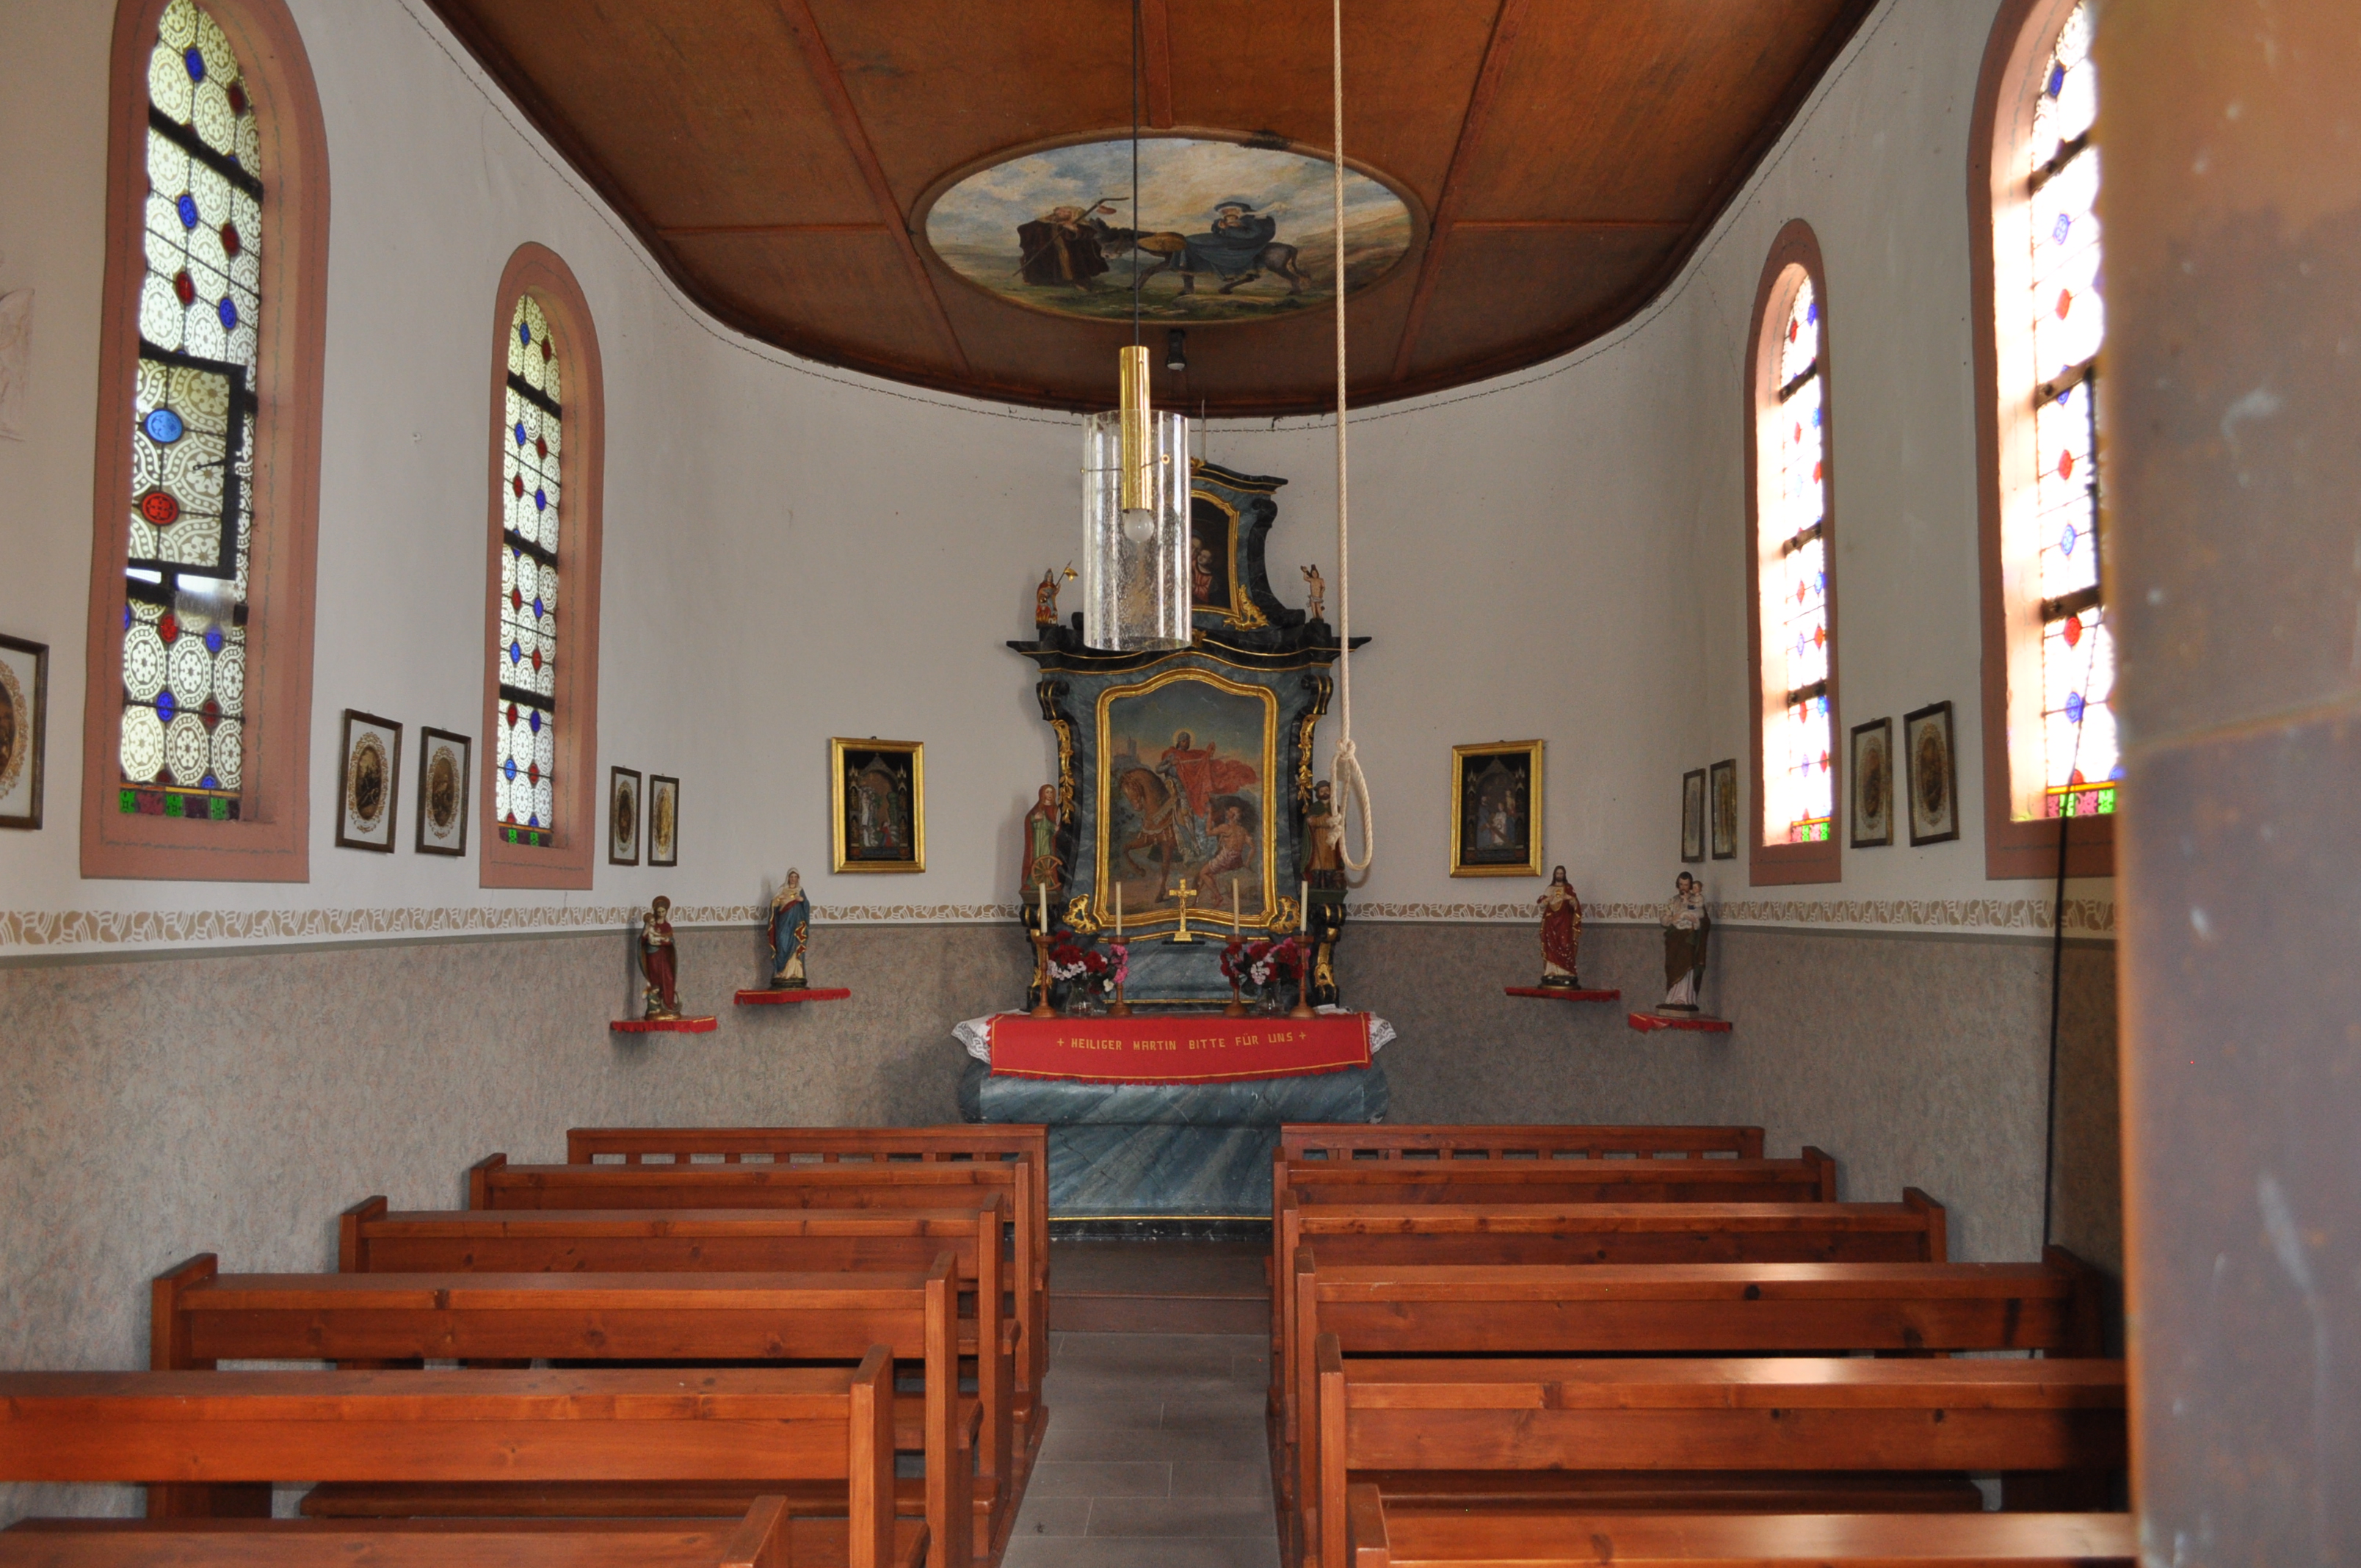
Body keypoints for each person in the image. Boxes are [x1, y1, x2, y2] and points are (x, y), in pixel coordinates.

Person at [1016, 203, 1115, 288]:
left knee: (1074, 265)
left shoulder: (1078, 223)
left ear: (1072, 215)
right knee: (1044, 263)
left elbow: (1091, 233)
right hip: (1051, 251)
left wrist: (1075, 229)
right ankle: (1041, 281)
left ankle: (1079, 282)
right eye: (1060, 211)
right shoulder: (1043, 223)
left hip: (1072, 252)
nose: (1061, 212)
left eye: (1066, 211)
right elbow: (1023, 228)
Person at [1183, 200, 1278, 280]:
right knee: (1190, 240)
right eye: (1224, 212)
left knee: (1192, 240)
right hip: (1227, 239)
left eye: (1228, 211)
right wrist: (1219, 226)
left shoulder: (1249, 219)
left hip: (1242, 243)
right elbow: (1215, 231)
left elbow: (1251, 234)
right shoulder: (1225, 219)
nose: (1225, 213)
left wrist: (1228, 229)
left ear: (1237, 210)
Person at [1659, 871, 1711, 1012]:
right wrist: (1673, 918)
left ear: (1691, 885)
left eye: (1686, 885)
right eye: (1681, 884)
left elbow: (1704, 920)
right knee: (1673, 967)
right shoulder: (1673, 901)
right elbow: (1664, 919)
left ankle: (1685, 998)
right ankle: (1673, 997)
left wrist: (1696, 923)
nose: (1683, 887)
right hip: (1675, 940)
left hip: (1689, 941)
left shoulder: (1696, 901)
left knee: (1687, 965)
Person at [1537, 865, 1583, 987]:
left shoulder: (1568, 888)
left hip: (1565, 922)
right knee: (1551, 945)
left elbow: (1575, 905)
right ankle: (1551, 971)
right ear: (1554, 875)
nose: (1559, 875)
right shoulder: (1550, 889)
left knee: (1565, 944)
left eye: (1561, 873)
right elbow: (1541, 906)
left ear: (1564, 875)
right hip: (1551, 923)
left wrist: (1570, 898)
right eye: (1557, 873)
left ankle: (1567, 971)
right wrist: (1547, 900)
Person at [638, 896, 681, 1019]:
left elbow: (671, 942)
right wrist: (649, 938)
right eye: (659, 912)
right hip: (654, 956)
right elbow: (643, 940)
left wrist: (663, 942)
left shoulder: (667, 926)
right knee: (656, 979)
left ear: (666, 912)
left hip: (665, 957)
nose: (661, 914)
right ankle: (655, 1006)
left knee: (668, 978)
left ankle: (668, 1004)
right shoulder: (651, 924)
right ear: (656, 912)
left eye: (663, 912)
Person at [766, 870, 810, 989]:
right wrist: (777, 899)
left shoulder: (800, 891)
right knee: (782, 943)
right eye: (792, 876)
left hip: (796, 925)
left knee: (795, 945)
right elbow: (774, 907)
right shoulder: (782, 890)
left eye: (796, 877)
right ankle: (781, 971)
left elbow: (806, 906)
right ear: (788, 878)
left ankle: (795, 973)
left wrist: (803, 901)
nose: (793, 879)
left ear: (798, 879)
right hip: (783, 923)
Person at [1021, 784, 1063, 897]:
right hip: (1036, 837)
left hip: (1047, 838)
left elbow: (1054, 824)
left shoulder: (1055, 809)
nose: (1049, 795)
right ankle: (1033, 882)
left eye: (1051, 792)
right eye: (1047, 792)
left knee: (1046, 857)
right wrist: (1034, 819)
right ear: (1042, 794)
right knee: (1036, 857)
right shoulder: (1037, 809)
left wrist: (1055, 829)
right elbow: (1028, 820)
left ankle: (1047, 882)